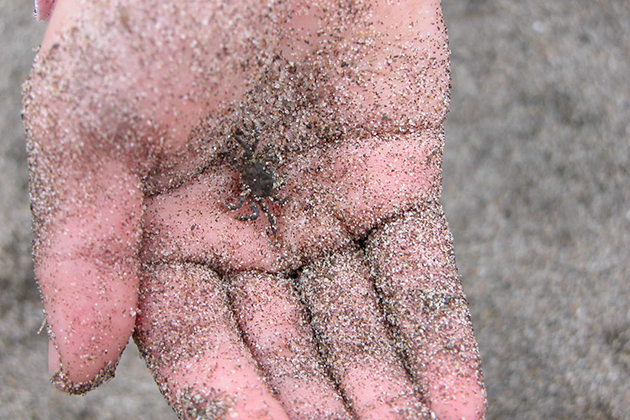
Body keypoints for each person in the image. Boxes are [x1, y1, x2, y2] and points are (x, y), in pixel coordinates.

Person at [24, 0, 487, 418]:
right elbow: (255, 176)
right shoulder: (251, 172)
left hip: (264, 171)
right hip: (257, 166)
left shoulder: (262, 190)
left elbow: (264, 191)